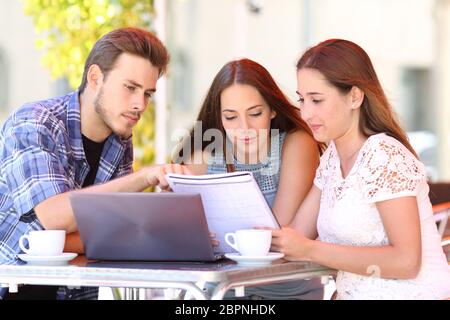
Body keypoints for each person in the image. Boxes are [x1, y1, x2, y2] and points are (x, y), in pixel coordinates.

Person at [0, 27, 190, 300]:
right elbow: (53, 217)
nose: (140, 105)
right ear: (95, 77)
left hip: (69, 292)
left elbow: (115, 233)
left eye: (147, 93)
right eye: (130, 88)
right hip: (11, 288)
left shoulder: (119, 139)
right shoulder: (34, 122)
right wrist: (142, 179)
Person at [271, 39, 450, 299]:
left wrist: (309, 249)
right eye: (302, 100)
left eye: (317, 100)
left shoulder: (384, 155)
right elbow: (298, 235)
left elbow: (406, 262)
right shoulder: (332, 158)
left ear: (354, 97)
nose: (306, 113)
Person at [174, 58, 324, 299]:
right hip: (218, 294)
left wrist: (209, 242)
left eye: (255, 113)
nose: (245, 127)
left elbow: (276, 238)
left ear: (273, 109)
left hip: (285, 293)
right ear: (219, 117)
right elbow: (173, 235)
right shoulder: (204, 155)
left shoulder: (296, 144)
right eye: (231, 117)